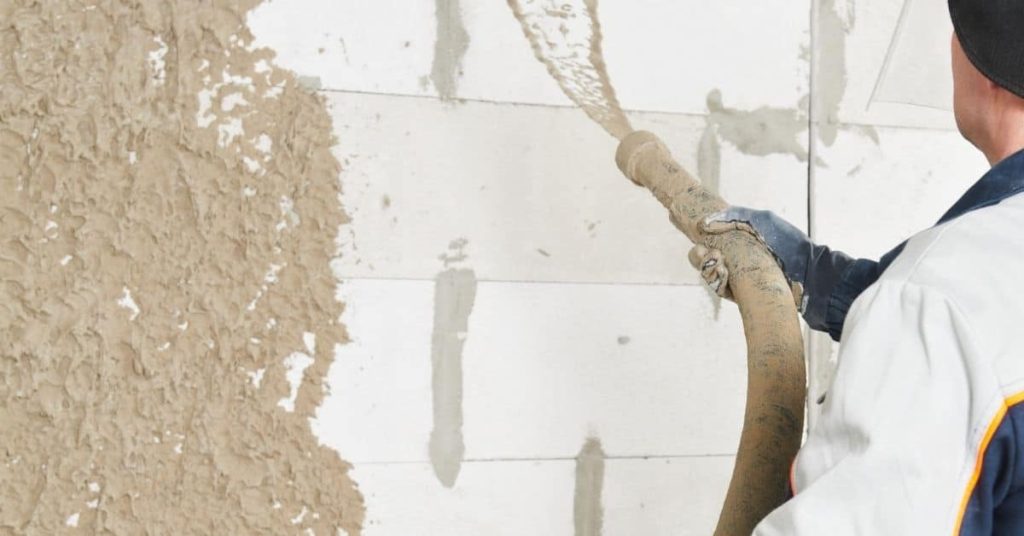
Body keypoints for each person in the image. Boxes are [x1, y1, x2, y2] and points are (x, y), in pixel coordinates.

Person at [689, 2, 1024, 534]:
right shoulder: (959, 289)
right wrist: (811, 273)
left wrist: (899, 304)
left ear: (981, 63)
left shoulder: (935, 303)